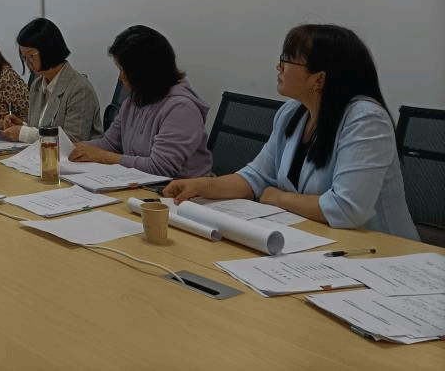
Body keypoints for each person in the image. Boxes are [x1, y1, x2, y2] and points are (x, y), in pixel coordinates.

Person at [164, 24, 418, 239]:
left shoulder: (366, 120)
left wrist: (278, 197)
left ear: (319, 79)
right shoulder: (292, 113)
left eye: (287, 60)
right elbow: (256, 177)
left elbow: (346, 209)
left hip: (382, 252)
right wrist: (201, 185)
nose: (279, 66)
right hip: (314, 238)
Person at [69, 25, 212, 178]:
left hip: (184, 190)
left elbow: (160, 168)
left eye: (123, 70)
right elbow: (109, 145)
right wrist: (72, 148)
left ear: (144, 72)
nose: (120, 77)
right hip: (142, 184)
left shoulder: (182, 109)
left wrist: (104, 157)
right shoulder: (133, 102)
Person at [1, 18, 102, 143]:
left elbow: (73, 141)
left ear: (48, 49)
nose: (27, 63)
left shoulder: (79, 89)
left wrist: (24, 134)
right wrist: (22, 126)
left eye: (30, 56)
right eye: (24, 57)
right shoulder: (37, 85)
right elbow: (40, 129)